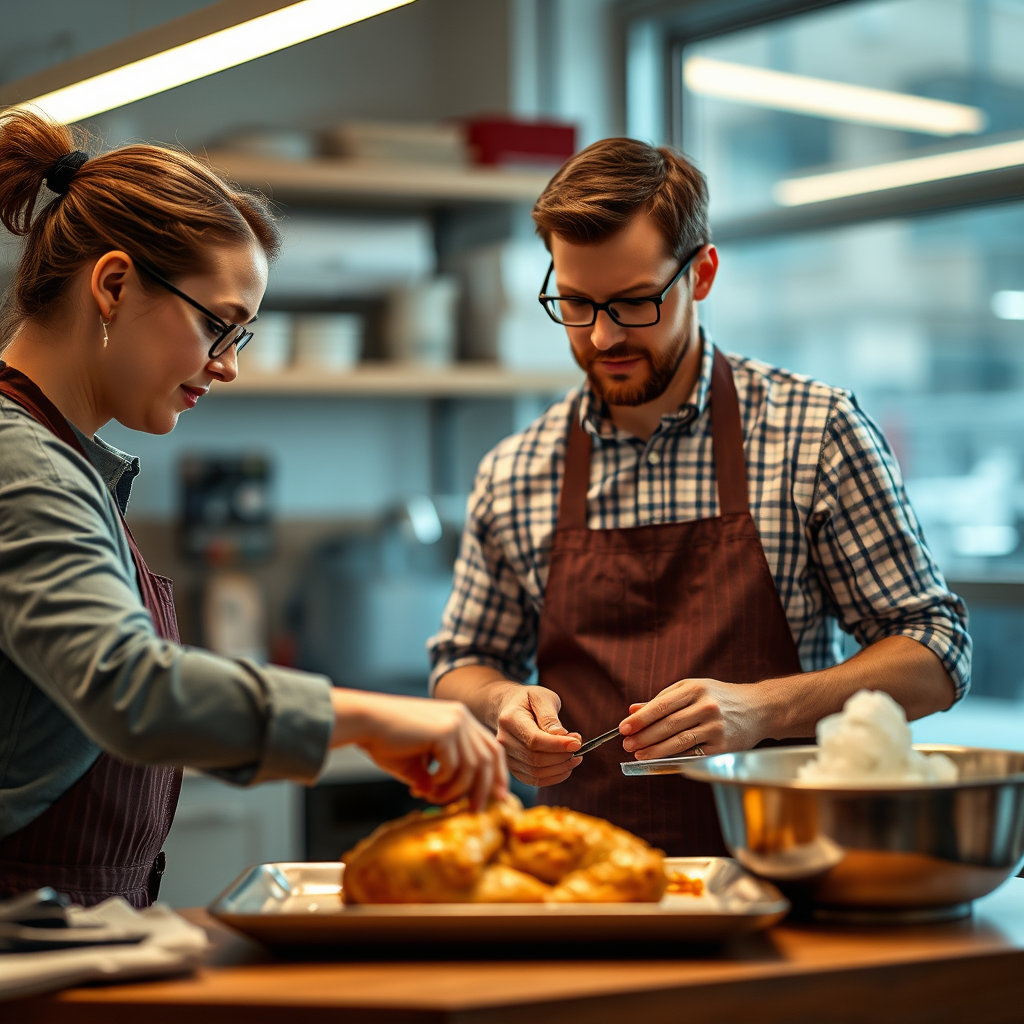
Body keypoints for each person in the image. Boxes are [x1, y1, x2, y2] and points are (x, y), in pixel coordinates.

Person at [0, 110, 507, 908]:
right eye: (217, 326)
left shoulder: (57, 458)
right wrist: (373, 718)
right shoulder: (23, 465)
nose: (227, 366)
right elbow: (132, 690)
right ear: (114, 285)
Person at [429, 138, 969, 855]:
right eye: (576, 303)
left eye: (635, 302)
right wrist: (501, 703)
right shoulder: (516, 471)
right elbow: (461, 663)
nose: (603, 336)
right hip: (586, 882)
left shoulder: (815, 433)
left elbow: (936, 653)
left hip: (785, 869)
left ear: (702, 273)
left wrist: (764, 708)